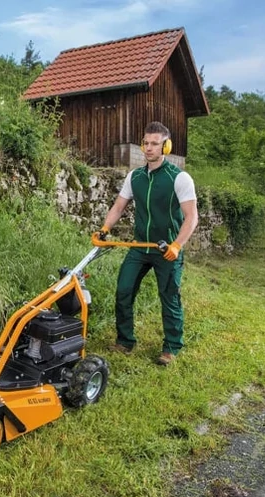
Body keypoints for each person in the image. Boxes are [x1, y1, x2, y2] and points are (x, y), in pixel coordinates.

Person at [96, 122, 199, 366]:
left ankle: (172, 346)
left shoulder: (179, 178)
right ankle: (124, 341)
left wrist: (177, 245)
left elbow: (192, 217)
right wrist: (104, 229)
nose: (149, 148)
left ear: (167, 146)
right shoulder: (135, 176)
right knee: (124, 290)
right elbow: (119, 206)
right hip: (140, 247)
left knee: (169, 296)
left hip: (166, 250)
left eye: (155, 143)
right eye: (146, 143)